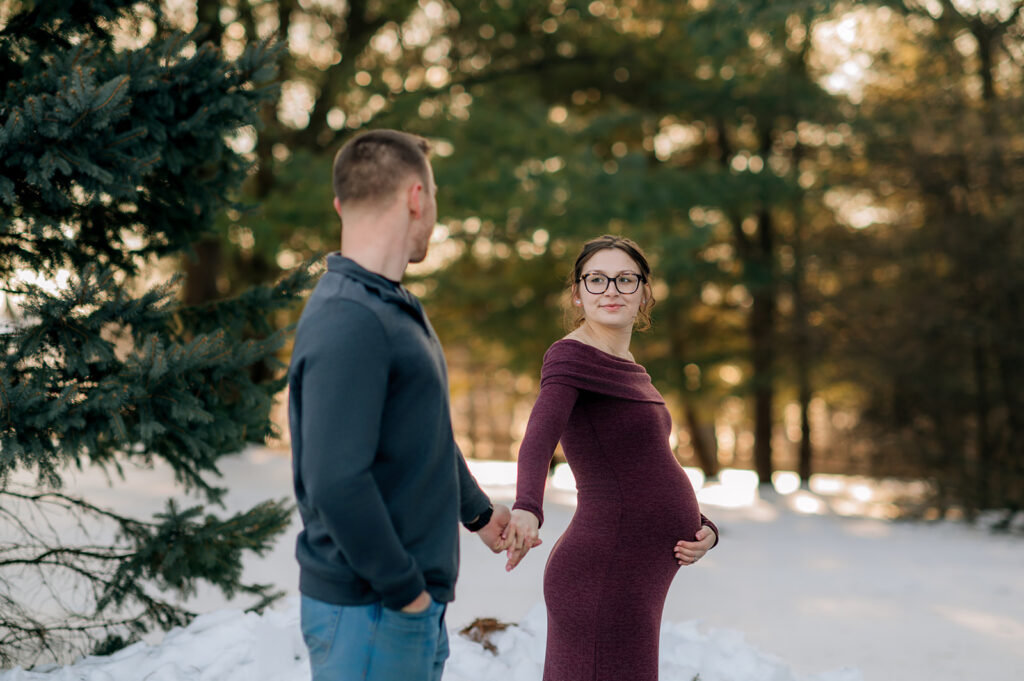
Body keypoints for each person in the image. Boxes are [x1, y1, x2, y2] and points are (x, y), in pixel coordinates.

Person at [287, 129, 512, 681]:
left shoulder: (387, 304)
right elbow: (335, 481)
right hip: (373, 610)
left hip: (397, 608)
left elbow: (422, 431)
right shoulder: (352, 317)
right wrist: (405, 592)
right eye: (433, 196)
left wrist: (478, 514)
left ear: (342, 205)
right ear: (416, 198)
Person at [502, 235, 720, 681]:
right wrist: (527, 507)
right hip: (601, 575)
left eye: (625, 279)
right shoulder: (570, 356)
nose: (611, 290)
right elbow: (539, 436)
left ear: (644, 293)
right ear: (578, 295)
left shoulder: (628, 365)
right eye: (596, 280)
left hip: (634, 577)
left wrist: (703, 526)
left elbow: (645, 464)